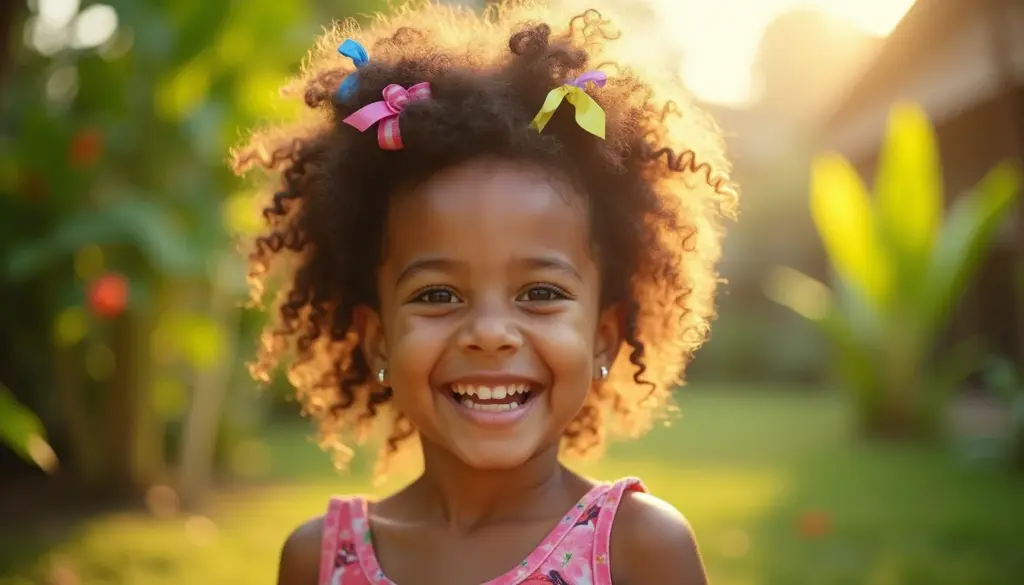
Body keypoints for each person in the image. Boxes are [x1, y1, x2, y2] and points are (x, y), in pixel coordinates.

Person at [232, 1, 737, 583]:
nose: (491, 334)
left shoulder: (640, 549)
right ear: (378, 345)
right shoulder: (318, 559)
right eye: (438, 296)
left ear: (603, 340)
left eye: (541, 292)